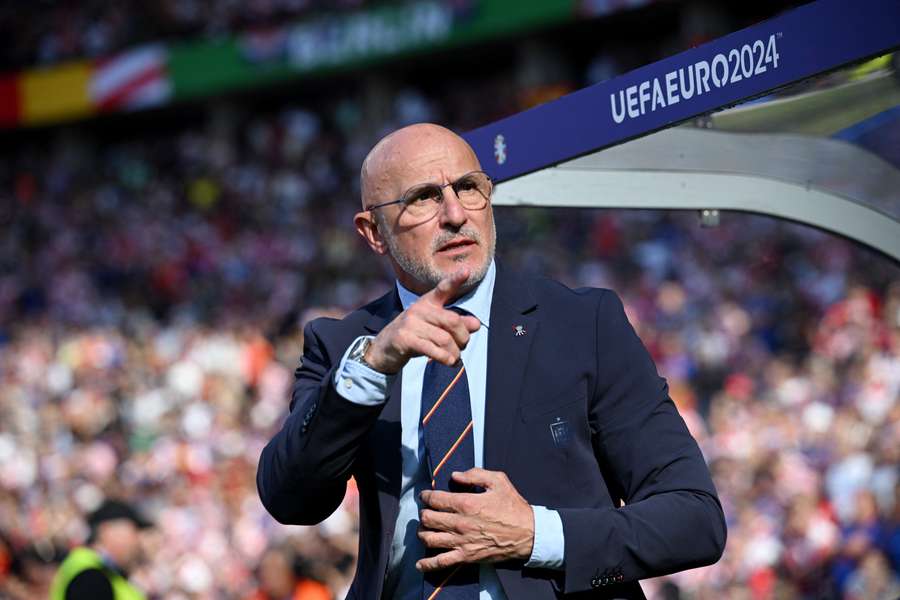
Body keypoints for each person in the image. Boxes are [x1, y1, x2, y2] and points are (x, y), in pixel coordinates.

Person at [257, 123, 726, 599]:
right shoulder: (346, 348)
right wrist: (372, 368)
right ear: (373, 231)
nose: (456, 214)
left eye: (468, 188)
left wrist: (537, 535)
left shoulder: (584, 323)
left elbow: (694, 519)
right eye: (423, 197)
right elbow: (290, 499)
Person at [49, 500, 151, 600]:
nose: (137, 540)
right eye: (133, 531)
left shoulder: (105, 572)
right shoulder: (90, 575)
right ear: (106, 531)